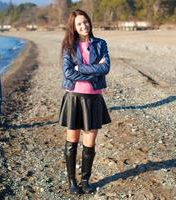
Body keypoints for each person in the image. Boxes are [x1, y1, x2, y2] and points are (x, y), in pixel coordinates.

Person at [59, 9, 111, 195]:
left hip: (94, 99)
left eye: (86, 22)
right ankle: (72, 182)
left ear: (90, 22)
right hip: (74, 98)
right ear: (74, 27)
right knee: (72, 142)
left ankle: (85, 180)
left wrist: (80, 67)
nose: (84, 26)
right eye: (79, 24)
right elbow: (68, 73)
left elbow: (105, 68)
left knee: (89, 142)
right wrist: (94, 71)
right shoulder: (68, 46)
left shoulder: (100, 43)